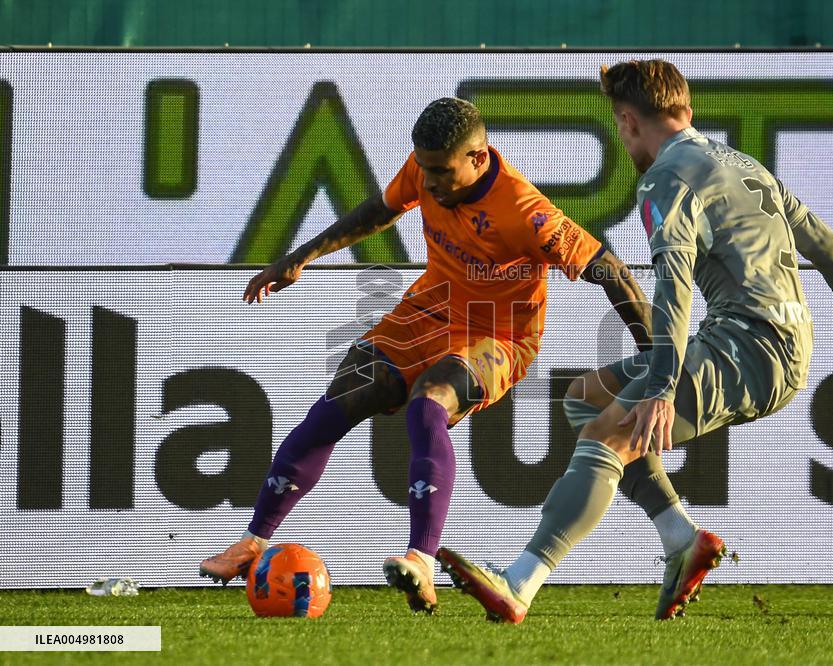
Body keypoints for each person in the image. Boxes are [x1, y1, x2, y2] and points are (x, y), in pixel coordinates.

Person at [437, 59, 833, 624]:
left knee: (607, 436)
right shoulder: (743, 164)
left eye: (620, 126)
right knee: (587, 398)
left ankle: (520, 584)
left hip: (749, 346)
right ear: (686, 111)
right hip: (772, 341)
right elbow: (824, 242)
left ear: (627, 122)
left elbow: (674, 286)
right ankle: (680, 538)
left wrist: (662, 388)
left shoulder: (666, 179)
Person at [198, 97, 654, 615]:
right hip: (428, 310)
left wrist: (657, 357)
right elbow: (380, 210)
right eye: (424, 168)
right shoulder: (424, 166)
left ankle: (421, 560)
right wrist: (299, 256)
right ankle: (252, 543)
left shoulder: (525, 211)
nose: (429, 182)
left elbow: (612, 271)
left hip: (498, 335)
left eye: (441, 172)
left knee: (429, 401)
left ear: (478, 158)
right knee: (340, 399)